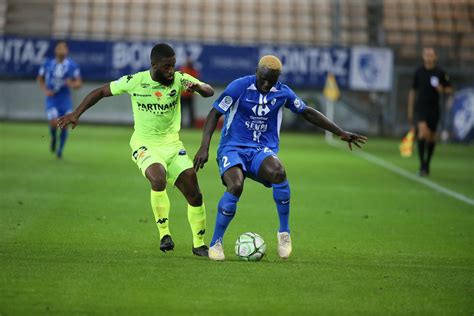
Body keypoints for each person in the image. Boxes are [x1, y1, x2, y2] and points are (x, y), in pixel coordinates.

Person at [193, 55, 367, 261]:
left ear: (278, 79)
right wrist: (204, 147)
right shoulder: (239, 86)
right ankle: (216, 243)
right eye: (263, 79)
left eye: (271, 81)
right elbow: (214, 113)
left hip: (260, 149)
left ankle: (284, 233)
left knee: (279, 172)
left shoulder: (283, 92)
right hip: (232, 148)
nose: (266, 84)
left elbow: (307, 112)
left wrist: (340, 132)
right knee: (236, 185)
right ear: (257, 73)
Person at [58, 43, 214, 256]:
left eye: (173, 66)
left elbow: (209, 91)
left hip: (172, 145)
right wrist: (76, 113)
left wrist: (196, 87)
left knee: (194, 194)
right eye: (167, 67)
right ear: (154, 65)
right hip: (145, 144)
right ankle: (164, 234)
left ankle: (199, 244)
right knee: (158, 178)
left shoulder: (180, 79)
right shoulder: (135, 81)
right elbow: (101, 91)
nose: (171, 70)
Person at [407, 47, 453, 176]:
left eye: (431, 55)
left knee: (432, 137)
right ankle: (422, 165)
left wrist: (441, 89)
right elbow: (413, 92)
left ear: (435, 57)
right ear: (423, 56)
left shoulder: (440, 73)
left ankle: (427, 164)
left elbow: (450, 89)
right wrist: (410, 110)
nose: (428, 57)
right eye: (426, 54)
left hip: (434, 108)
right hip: (421, 107)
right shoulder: (419, 72)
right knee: (422, 133)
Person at [37, 41, 82, 159]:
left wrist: (71, 84)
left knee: (65, 124)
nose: (62, 51)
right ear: (56, 51)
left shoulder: (72, 66)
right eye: (59, 48)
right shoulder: (48, 64)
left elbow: (78, 83)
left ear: (67, 51)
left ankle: (60, 151)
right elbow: (40, 78)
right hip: (52, 99)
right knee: (53, 122)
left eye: (64, 49)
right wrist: (45, 90)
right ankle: (53, 137)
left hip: (65, 99)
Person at [179, 57, 200, 128]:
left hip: (189, 95)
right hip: (183, 94)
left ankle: (191, 125)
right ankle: (180, 124)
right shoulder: (184, 70)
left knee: (190, 111)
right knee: (181, 111)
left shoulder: (193, 71)